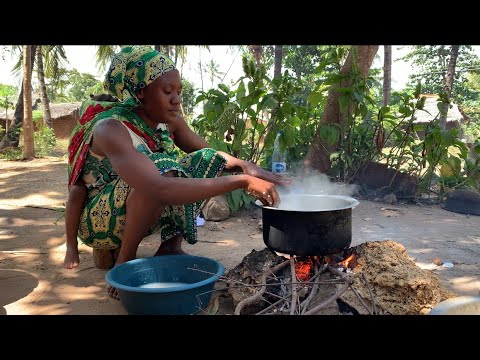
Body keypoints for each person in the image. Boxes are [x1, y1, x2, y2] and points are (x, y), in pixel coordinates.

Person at [62, 46, 288, 298]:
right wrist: (242, 181)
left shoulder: (169, 121)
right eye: (167, 92)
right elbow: (158, 187)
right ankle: (123, 262)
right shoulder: (111, 129)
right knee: (164, 168)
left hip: (140, 204)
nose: (177, 100)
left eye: (179, 91)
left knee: (204, 160)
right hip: (99, 221)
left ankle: (170, 247)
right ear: (139, 93)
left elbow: (210, 155)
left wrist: (248, 166)